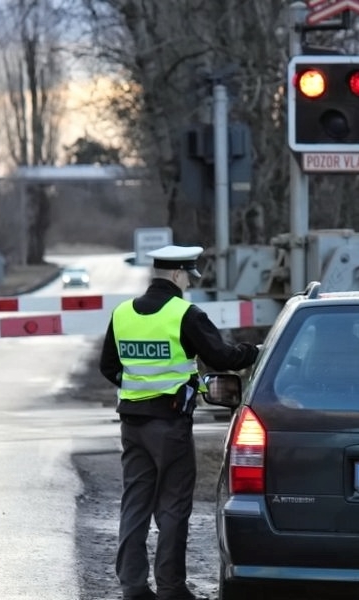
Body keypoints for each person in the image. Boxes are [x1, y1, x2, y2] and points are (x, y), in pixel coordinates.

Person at [99, 244, 260, 600]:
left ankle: (133, 586)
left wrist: (139, 387)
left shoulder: (123, 314)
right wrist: (254, 352)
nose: (189, 281)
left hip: (132, 426)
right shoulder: (184, 313)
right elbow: (221, 356)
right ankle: (171, 587)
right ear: (176, 274)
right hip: (169, 426)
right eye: (188, 275)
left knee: (135, 504)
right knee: (172, 507)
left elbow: (109, 367)